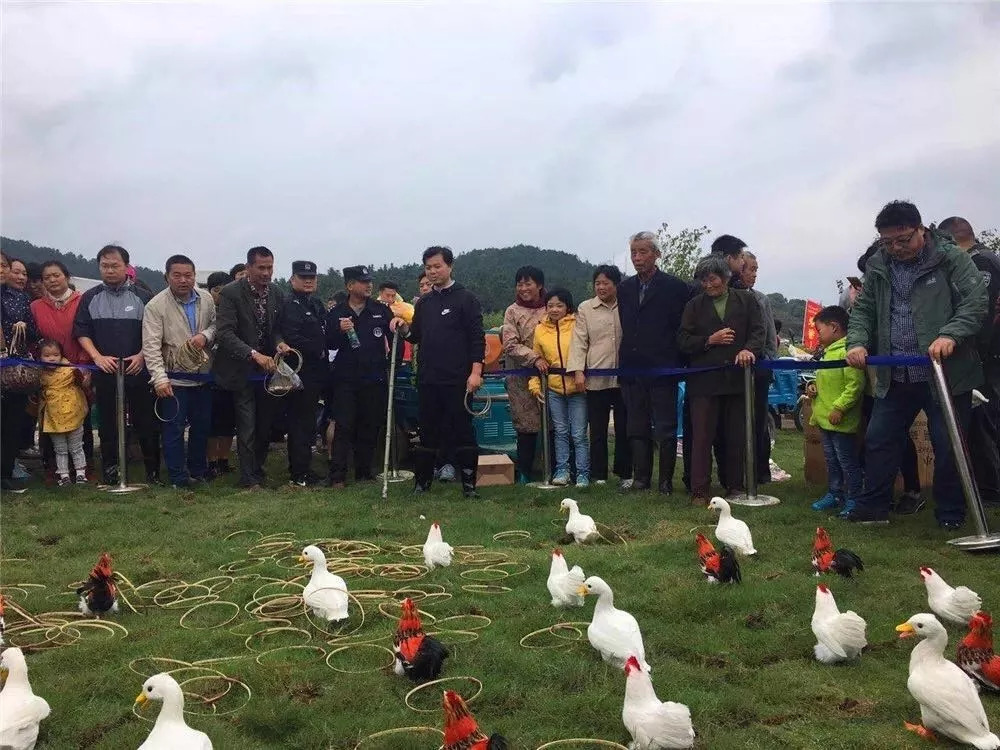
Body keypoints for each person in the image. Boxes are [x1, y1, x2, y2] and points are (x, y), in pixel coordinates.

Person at [845, 201, 988, 529]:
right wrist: (857, 341)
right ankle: (874, 507)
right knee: (879, 438)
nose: (896, 248)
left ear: (921, 229)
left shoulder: (952, 259)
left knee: (948, 444)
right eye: (888, 242)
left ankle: (951, 514)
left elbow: (975, 303)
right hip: (895, 373)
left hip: (945, 374)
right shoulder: (880, 264)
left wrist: (951, 334)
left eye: (903, 240)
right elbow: (864, 310)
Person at [393, 246, 485, 498]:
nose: (432, 272)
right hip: (428, 378)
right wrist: (402, 328)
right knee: (428, 432)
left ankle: (469, 486)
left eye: (437, 266)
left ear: (450, 266)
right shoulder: (425, 303)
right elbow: (416, 336)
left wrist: (476, 372)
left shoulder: (466, 298)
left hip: (458, 379)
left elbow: (478, 339)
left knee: (463, 430)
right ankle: (422, 484)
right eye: (428, 267)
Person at [678, 255, 764, 504]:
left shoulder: (747, 300)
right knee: (702, 438)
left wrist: (749, 349)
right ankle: (700, 491)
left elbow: (759, 331)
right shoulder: (694, 305)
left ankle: (735, 486)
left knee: (736, 436)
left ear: (725, 277)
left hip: (737, 381)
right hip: (704, 382)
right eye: (703, 280)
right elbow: (682, 340)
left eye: (712, 279)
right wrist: (708, 340)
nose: (708, 285)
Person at [74, 244, 160, 485]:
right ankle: (111, 471)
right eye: (104, 266)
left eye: (115, 266)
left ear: (126, 267)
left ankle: (152, 471)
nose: (109, 270)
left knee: (146, 421)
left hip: (138, 369)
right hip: (106, 370)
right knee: (109, 423)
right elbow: (82, 331)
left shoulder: (143, 297)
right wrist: (97, 357)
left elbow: (156, 332)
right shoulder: (90, 298)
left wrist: (142, 355)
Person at [617, 231, 692, 494]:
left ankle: (665, 481)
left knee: (666, 427)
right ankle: (641, 478)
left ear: (656, 254)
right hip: (632, 368)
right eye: (634, 253)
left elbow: (682, 327)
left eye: (643, 252)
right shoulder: (625, 288)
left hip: (663, 367)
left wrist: (677, 361)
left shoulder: (675, 287)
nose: (637, 258)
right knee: (636, 425)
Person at [855, 240, 922, 509]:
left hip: (900, 373)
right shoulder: (870, 292)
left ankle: (913, 490)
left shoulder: (902, 287)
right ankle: (876, 498)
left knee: (896, 434)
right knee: (877, 436)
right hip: (874, 375)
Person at [938, 216, 1000, 506]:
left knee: (983, 424)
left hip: (987, 359)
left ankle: (989, 490)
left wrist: (976, 353)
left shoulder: (980, 262)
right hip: (986, 358)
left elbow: (981, 315)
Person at [142, 254, 216, 488]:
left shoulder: (206, 298)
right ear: (167, 277)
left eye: (188, 275)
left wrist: (205, 336)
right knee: (173, 429)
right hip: (173, 379)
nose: (183, 280)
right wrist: (159, 378)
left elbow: (216, 325)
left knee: (201, 427)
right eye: (177, 275)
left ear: (195, 276)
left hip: (203, 375)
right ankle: (177, 477)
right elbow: (151, 346)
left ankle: (198, 471)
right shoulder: (155, 306)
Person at [213, 246, 283, 489]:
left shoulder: (276, 292)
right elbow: (225, 333)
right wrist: (253, 355)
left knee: (265, 424)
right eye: (261, 268)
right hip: (241, 369)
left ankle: (257, 468)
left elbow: (277, 329)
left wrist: (280, 344)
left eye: (270, 268)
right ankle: (247, 477)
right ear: (249, 267)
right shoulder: (231, 293)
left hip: (267, 372)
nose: (266, 273)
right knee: (247, 424)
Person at [325, 265, 394, 488]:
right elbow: (329, 345)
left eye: (370, 281)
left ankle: (364, 472)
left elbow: (393, 339)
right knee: (344, 426)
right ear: (350, 285)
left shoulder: (380, 310)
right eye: (363, 282)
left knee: (370, 425)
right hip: (345, 380)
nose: (369, 285)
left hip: (374, 378)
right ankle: (338, 475)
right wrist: (339, 330)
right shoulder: (336, 313)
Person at [568, 264, 632, 487]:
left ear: (616, 285)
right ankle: (599, 474)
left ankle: (625, 472)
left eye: (606, 283)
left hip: (624, 378)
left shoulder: (627, 304)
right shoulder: (586, 308)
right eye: (598, 283)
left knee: (625, 427)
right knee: (597, 429)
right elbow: (579, 342)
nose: (601, 287)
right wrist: (578, 371)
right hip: (596, 377)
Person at [31, 260, 95, 469]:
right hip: (48, 373)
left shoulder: (82, 301)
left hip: (78, 370)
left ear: (66, 277)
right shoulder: (35, 307)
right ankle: (54, 468)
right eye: (47, 277)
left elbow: (89, 333)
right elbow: (33, 339)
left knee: (81, 418)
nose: (52, 280)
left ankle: (85, 467)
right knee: (49, 419)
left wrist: (85, 365)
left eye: (56, 275)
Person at [806, 306, 866, 516]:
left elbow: (855, 385)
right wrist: (813, 386)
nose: (818, 334)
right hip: (825, 418)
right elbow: (825, 379)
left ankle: (854, 498)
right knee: (832, 460)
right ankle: (835, 493)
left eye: (820, 330)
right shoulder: (827, 353)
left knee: (847, 461)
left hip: (841, 420)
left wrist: (840, 408)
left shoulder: (847, 352)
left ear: (834, 327)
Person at [529, 288, 589, 487]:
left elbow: (584, 352)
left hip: (577, 389)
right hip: (554, 389)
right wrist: (535, 385)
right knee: (561, 431)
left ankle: (582, 473)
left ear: (568, 307)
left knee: (579, 433)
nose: (554, 309)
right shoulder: (540, 329)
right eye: (550, 306)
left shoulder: (578, 325)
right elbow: (537, 359)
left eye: (559, 305)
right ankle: (562, 471)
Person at [275, 260, 327, 486]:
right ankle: (299, 472)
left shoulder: (315, 303)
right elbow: (292, 337)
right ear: (292, 279)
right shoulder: (290, 304)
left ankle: (304, 467)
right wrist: (320, 348)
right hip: (299, 371)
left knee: (308, 422)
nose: (308, 281)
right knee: (300, 423)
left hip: (316, 371)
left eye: (312, 278)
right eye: (303, 277)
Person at [500, 266, 547, 483]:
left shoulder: (551, 306)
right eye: (520, 284)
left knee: (554, 424)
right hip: (521, 377)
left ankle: (556, 469)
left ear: (539, 285)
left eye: (528, 283)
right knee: (525, 425)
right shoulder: (512, 311)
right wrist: (535, 359)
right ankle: (525, 472)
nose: (524, 288)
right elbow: (510, 344)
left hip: (551, 375)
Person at [1, 252, 38, 492]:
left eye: (3, 265)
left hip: (13, 369)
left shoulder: (22, 299)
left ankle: (5, 472)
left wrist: (22, 329)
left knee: (11, 421)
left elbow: (33, 332)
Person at [740, 251, 777, 484]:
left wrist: (768, 363)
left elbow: (770, 335)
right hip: (733, 369)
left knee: (759, 420)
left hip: (759, 368)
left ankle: (761, 471)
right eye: (749, 269)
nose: (753, 275)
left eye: (756, 270)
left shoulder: (761, 299)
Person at [36, 339, 90, 486]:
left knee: (77, 446)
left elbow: (85, 382)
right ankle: (64, 475)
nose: (52, 358)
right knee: (60, 449)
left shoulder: (72, 370)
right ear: (40, 357)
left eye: (55, 354)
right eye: (46, 355)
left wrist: (83, 376)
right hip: (53, 418)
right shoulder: (39, 375)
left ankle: (80, 473)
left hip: (74, 414)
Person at [204, 271, 236, 476]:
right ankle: (211, 461)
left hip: (230, 372)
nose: (221, 294)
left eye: (225, 290)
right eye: (217, 290)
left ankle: (224, 459)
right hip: (207, 372)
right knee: (211, 422)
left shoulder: (233, 309)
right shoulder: (206, 311)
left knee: (227, 421)